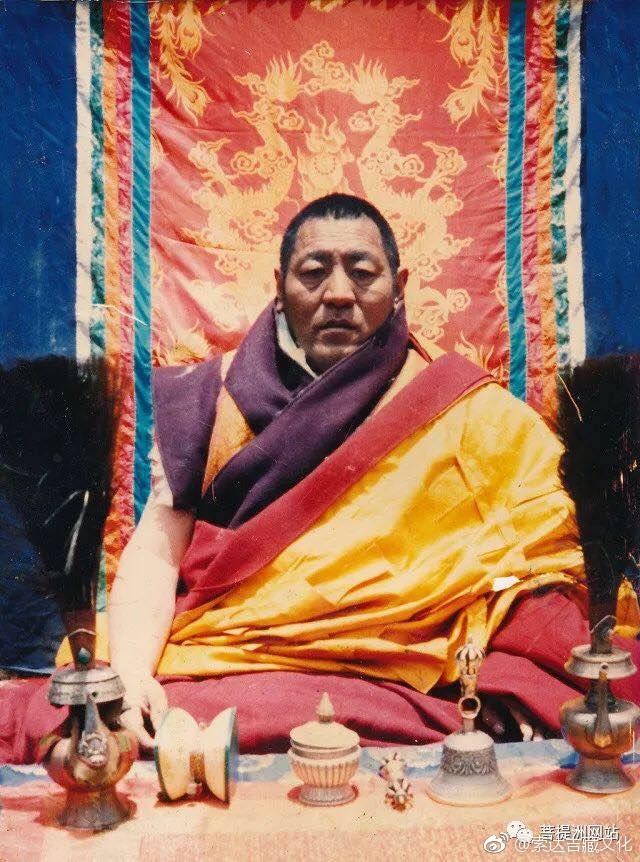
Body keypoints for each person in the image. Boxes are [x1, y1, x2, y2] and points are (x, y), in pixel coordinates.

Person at [106, 194, 632, 753]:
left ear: (399, 286)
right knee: (106, 705)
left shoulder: (463, 407)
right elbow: (158, 549)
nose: (338, 293)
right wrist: (133, 677)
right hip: (234, 655)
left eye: (362, 273)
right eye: (313, 272)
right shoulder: (214, 399)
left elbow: (552, 545)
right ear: (279, 287)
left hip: (405, 667)